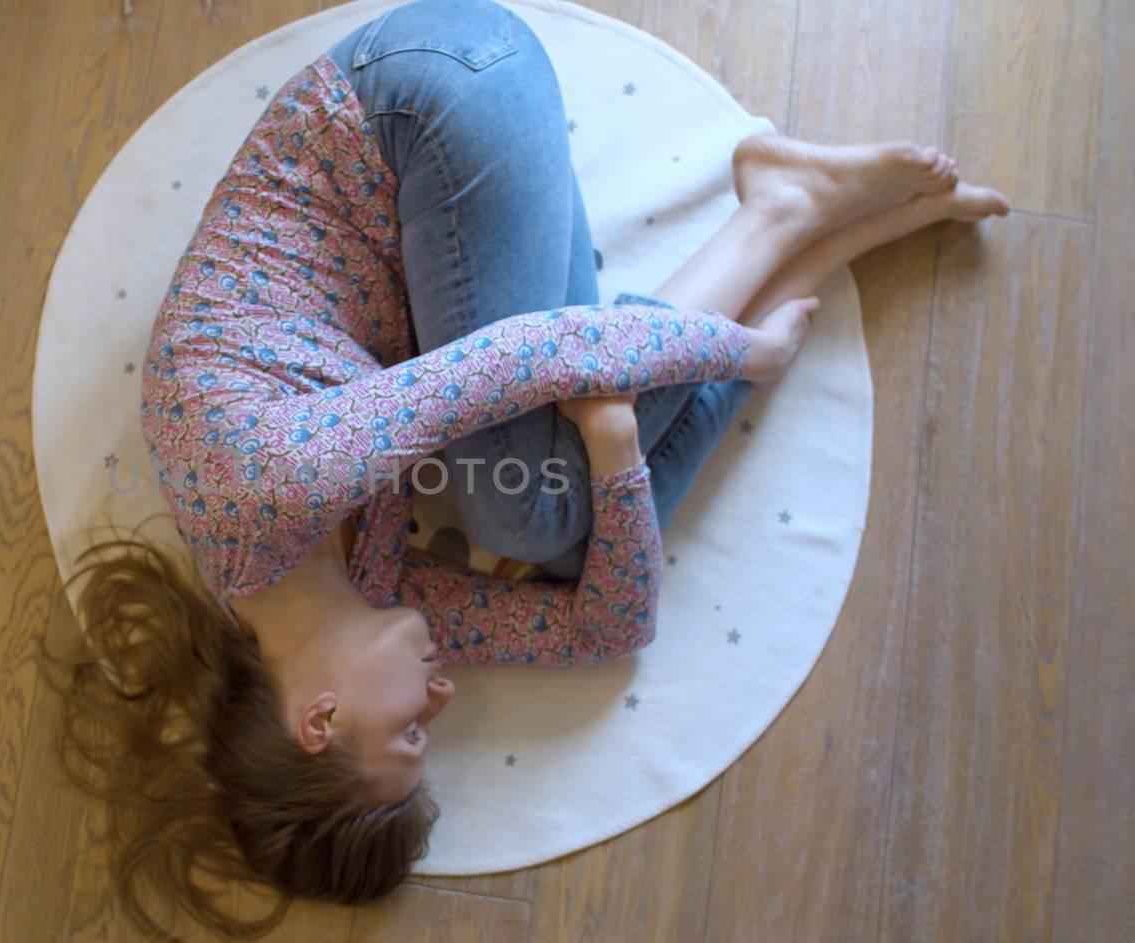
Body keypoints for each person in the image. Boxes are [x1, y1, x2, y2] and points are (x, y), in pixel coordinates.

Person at [55, 0, 1010, 935]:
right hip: (457, 229)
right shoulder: (362, 588)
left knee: (529, 516)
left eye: (412, 733)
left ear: (320, 717)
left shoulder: (260, 493)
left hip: (433, 96)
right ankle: (821, 235)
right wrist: (618, 452)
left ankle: (775, 223)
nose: (443, 695)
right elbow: (606, 625)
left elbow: (528, 360)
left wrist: (735, 355)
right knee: (569, 528)